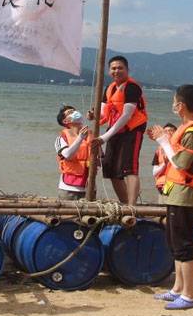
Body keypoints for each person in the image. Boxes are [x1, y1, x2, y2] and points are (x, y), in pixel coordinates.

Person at [146, 84, 193, 310]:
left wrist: (163, 142)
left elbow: (182, 164)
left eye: (175, 102)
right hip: (176, 192)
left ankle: (189, 294)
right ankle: (177, 288)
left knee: (184, 244)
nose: (173, 105)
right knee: (175, 242)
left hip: (185, 194)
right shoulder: (189, 127)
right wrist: (165, 139)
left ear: (181, 106)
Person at [90, 56, 147, 205]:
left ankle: (132, 206)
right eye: (113, 68)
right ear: (109, 71)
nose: (116, 71)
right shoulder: (109, 89)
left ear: (127, 70)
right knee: (110, 169)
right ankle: (124, 202)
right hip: (114, 130)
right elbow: (103, 113)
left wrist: (105, 137)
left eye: (120, 68)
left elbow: (127, 116)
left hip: (132, 130)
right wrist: (93, 115)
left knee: (130, 168)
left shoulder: (132, 87)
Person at [55, 105, 91, 200]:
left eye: (74, 111)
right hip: (68, 189)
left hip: (89, 188)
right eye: (70, 112)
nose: (75, 113)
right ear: (66, 121)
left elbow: (100, 158)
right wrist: (80, 138)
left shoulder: (90, 136)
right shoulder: (61, 138)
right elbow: (67, 155)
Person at [151, 123, 177, 194]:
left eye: (171, 130)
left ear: (176, 133)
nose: (168, 133)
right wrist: (164, 164)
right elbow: (154, 173)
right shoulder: (158, 151)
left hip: (176, 184)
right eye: (165, 131)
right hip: (162, 185)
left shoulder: (180, 147)